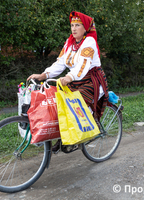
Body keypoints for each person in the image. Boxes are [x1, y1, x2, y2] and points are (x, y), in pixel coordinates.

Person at [27, 11, 109, 151]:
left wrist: (69, 77)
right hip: (75, 80)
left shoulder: (89, 41)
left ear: (85, 28)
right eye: (72, 25)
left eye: (78, 25)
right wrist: (43, 75)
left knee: (74, 104)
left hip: (91, 80)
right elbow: (60, 63)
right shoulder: (69, 43)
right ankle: (64, 137)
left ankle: (82, 133)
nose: (74, 28)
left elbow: (83, 65)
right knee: (58, 103)